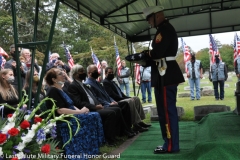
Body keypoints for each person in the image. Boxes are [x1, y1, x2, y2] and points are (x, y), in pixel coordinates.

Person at [139, 6, 185, 154]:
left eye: (149, 19)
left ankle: (171, 145)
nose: (149, 23)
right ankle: (168, 142)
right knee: (164, 111)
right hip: (163, 74)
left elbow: (158, 52)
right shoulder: (163, 29)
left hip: (166, 74)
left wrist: (145, 55)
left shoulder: (164, 30)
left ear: (157, 16)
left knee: (167, 111)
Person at [44, 68, 104, 157]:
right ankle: (84, 151)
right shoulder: (53, 90)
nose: (64, 74)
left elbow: (71, 104)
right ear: (54, 79)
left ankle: (91, 149)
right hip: (64, 119)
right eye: (60, 74)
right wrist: (80, 112)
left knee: (94, 115)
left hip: (72, 115)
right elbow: (60, 110)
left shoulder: (61, 89)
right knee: (93, 116)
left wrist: (81, 111)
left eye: (63, 73)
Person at [67, 64, 125, 146]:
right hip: (88, 110)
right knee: (111, 113)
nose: (84, 73)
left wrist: (99, 104)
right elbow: (78, 102)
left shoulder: (83, 84)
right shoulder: (73, 86)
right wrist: (95, 107)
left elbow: (93, 97)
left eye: (84, 71)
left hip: (96, 106)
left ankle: (117, 134)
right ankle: (109, 139)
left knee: (117, 109)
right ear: (76, 74)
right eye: (81, 72)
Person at [84, 64, 135, 138]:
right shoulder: (88, 84)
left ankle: (128, 128)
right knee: (118, 107)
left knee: (125, 104)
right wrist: (109, 103)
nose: (97, 72)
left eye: (97, 70)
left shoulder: (97, 82)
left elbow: (106, 94)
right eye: (95, 71)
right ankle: (124, 130)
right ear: (89, 73)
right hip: (103, 104)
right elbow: (96, 98)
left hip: (109, 102)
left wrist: (112, 100)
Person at [103, 66, 151, 132]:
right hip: (116, 101)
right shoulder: (105, 82)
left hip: (121, 98)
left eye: (112, 72)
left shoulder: (112, 82)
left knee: (136, 98)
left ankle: (140, 121)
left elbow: (121, 93)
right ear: (105, 73)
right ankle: (136, 124)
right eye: (109, 73)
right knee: (130, 101)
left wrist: (129, 97)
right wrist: (127, 99)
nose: (111, 74)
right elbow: (113, 95)